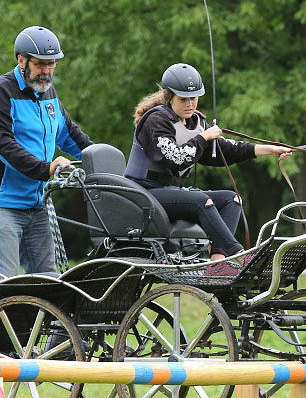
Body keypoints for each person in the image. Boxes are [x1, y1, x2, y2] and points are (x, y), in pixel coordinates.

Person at [125, 63, 292, 274]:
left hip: (171, 193)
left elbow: (230, 150)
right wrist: (203, 137)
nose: (190, 104)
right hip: (144, 194)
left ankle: (217, 263)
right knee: (202, 202)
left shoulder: (195, 122)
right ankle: (240, 254)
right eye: (183, 99)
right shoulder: (156, 121)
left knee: (232, 200)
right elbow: (176, 158)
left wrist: (272, 149)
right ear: (169, 97)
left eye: (194, 98)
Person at [0, 26, 93, 285]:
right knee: (4, 280)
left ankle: (38, 327)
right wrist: (48, 168)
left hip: (36, 204)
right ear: (21, 60)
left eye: (52, 65)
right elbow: (4, 146)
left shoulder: (48, 93)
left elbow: (69, 135)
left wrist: (100, 160)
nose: (47, 71)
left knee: (48, 282)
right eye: (40, 65)